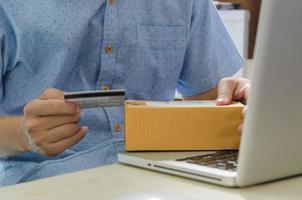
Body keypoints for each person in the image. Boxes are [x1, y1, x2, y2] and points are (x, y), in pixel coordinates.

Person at [0, 0, 249, 186]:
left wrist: (245, 105)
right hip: (46, 183)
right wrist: (23, 134)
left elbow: (213, 101)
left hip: (162, 179)